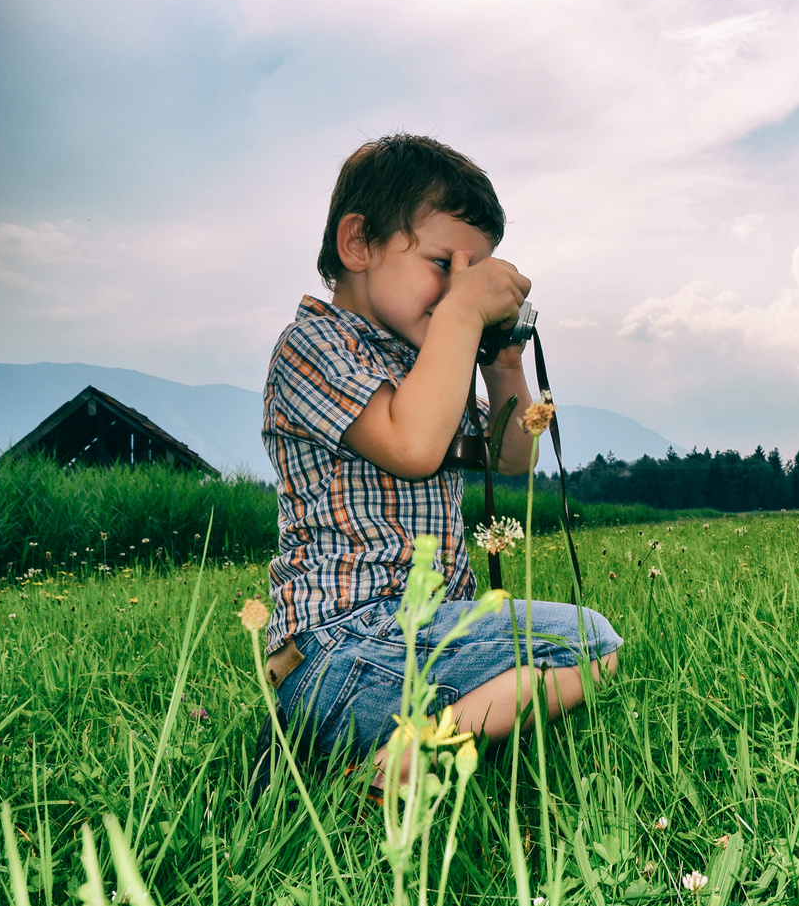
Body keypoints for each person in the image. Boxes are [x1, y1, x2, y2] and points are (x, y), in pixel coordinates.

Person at [256, 134, 621, 789]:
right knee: (584, 639)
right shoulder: (312, 343)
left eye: (476, 272)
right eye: (442, 264)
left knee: (586, 657)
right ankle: (389, 773)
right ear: (358, 245)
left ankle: (366, 763)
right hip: (342, 641)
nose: (462, 288)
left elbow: (512, 457)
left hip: (415, 637)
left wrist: (502, 361)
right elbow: (414, 446)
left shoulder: (425, 366)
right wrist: (460, 314)